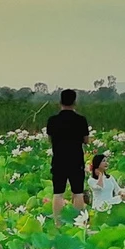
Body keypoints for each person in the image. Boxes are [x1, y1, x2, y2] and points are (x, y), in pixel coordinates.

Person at [45, 88, 90, 220]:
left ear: (60, 102)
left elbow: (50, 140)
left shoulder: (52, 120)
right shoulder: (81, 120)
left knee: (58, 193)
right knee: (78, 192)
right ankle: (78, 221)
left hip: (59, 160)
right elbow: (86, 140)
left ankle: (57, 222)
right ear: (74, 102)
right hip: (76, 160)